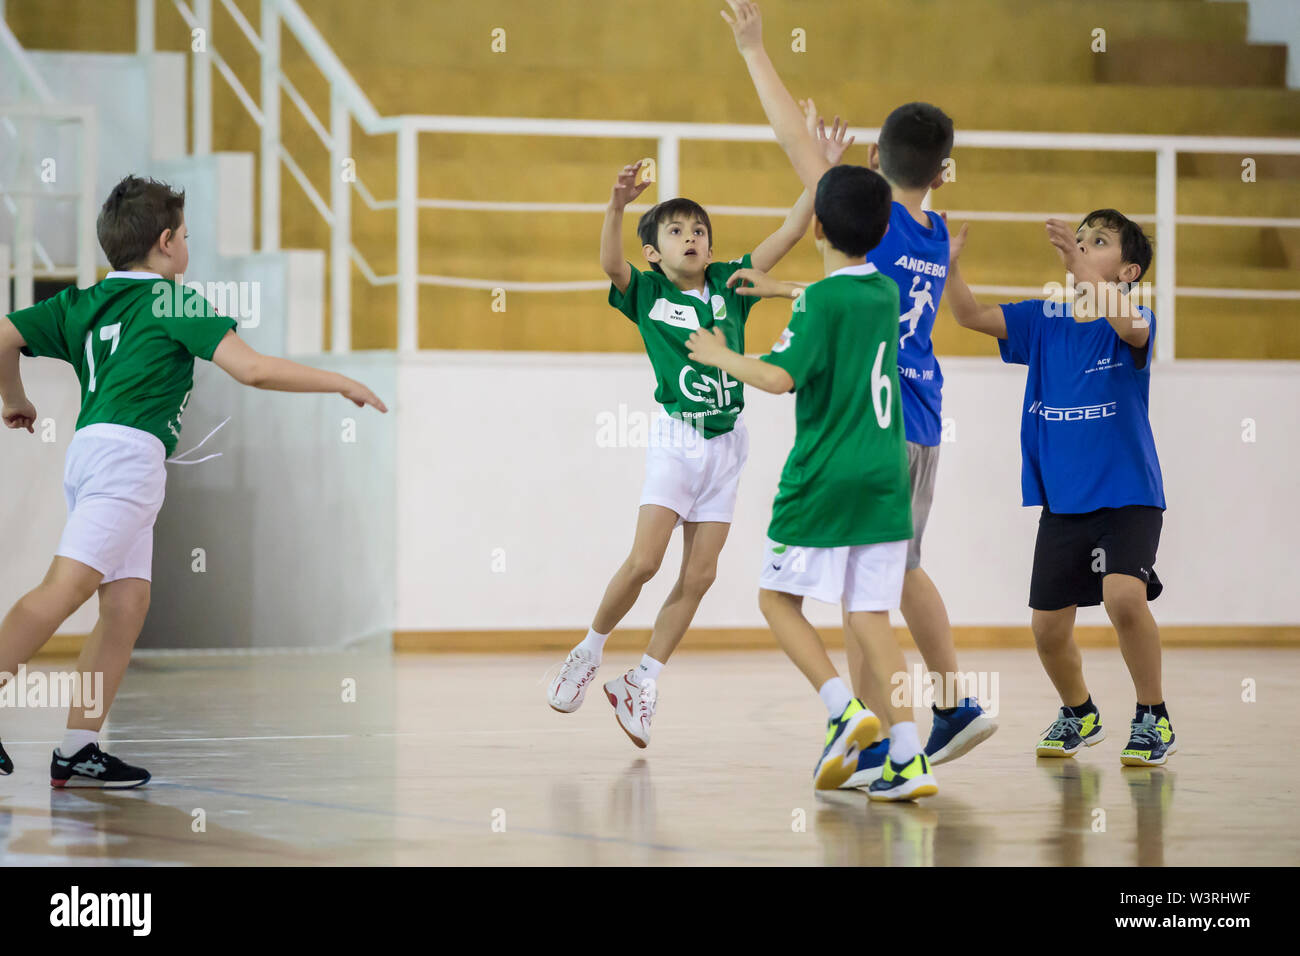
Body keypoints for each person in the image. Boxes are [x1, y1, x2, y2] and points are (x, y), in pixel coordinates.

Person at [0, 175, 387, 787]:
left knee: (126, 605)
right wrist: (338, 381)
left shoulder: (82, 301)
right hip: (126, 458)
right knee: (65, 589)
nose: (188, 244)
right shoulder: (173, 301)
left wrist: (14, 398)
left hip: (95, 452)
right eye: (184, 235)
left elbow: (3, 335)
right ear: (164, 243)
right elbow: (253, 370)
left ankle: (77, 747)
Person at [945, 208, 1174, 767]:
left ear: (1128, 272)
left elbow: (1134, 329)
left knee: (1124, 596)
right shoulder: (1045, 319)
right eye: (1079, 240)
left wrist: (1080, 267)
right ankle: (1079, 712)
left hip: (1128, 494)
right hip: (1064, 502)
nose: (1082, 247)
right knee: (1047, 629)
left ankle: (1153, 715)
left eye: (1098, 242)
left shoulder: (1132, 318)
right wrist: (947, 268)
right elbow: (970, 314)